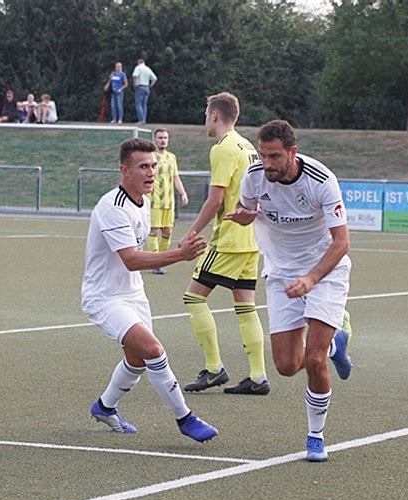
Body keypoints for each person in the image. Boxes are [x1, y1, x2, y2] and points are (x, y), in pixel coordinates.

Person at [225, 119, 353, 462]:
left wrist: (311, 278)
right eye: (263, 155)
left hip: (325, 271)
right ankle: (335, 343)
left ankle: (315, 436)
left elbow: (341, 242)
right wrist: (243, 216)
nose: (267, 163)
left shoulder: (322, 180)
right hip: (281, 275)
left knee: (313, 359)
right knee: (285, 365)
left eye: (275, 156)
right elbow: (247, 208)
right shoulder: (254, 175)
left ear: (292, 153)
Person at [81, 137, 217, 443]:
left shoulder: (143, 202)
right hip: (104, 298)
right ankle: (185, 418)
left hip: (132, 294)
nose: (151, 172)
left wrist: (178, 250)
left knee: (138, 360)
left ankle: (104, 407)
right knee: (154, 350)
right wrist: (179, 255)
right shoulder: (112, 207)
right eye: (143, 166)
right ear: (124, 170)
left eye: (153, 165)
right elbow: (130, 259)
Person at [181, 92, 270, 396]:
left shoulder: (223, 148)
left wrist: (192, 232)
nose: (205, 119)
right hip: (252, 238)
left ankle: (214, 369)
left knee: (193, 298)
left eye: (207, 114)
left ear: (215, 115)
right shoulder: (248, 146)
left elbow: (216, 198)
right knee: (246, 306)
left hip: (231, 236)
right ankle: (258, 376)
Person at [147, 128, 189, 275]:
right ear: (154, 139)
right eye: (160, 138)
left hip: (168, 202)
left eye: (165, 138)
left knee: (167, 232)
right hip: (154, 201)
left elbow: (175, 177)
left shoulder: (172, 157)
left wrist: (183, 193)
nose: (163, 140)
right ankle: (155, 262)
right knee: (154, 230)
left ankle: (161, 260)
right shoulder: (150, 157)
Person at [132, 58, 157, 123]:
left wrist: (134, 84)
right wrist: (150, 86)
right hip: (146, 87)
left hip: (140, 86)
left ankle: (141, 119)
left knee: (138, 104)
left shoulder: (138, 68)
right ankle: (144, 120)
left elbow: (135, 76)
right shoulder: (148, 69)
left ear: (139, 62)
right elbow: (154, 78)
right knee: (144, 104)